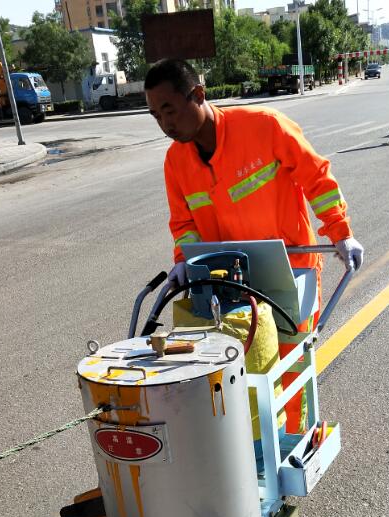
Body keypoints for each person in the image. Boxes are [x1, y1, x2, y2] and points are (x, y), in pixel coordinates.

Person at [144, 58, 364, 431]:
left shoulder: (265, 127)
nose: (166, 124)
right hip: (229, 280)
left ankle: (296, 441)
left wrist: (340, 232)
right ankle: (250, 445)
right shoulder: (175, 161)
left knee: (290, 360)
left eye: (170, 110)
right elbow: (183, 223)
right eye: (155, 115)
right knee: (236, 365)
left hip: (291, 268)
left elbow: (316, 178)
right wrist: (184, 260)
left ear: (198, 95)